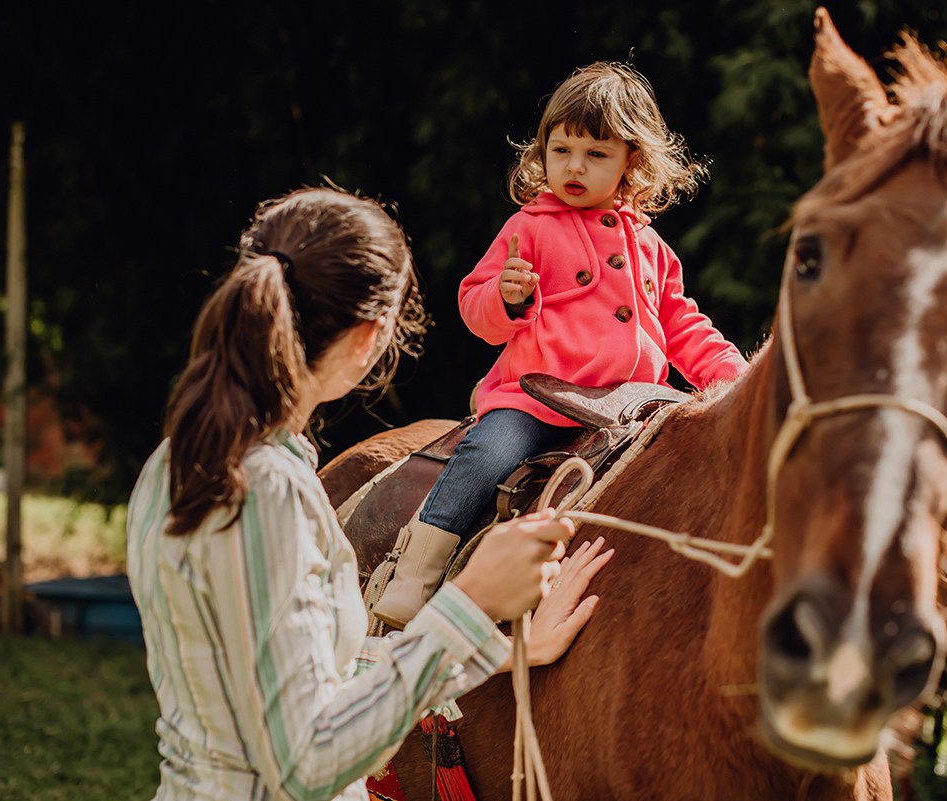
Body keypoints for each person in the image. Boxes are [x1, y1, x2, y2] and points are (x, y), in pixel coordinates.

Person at [126, 187, 612, 801]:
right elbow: (307, 762)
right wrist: (468, 598)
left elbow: (307, 679)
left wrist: (500, 650)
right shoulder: (263, 491)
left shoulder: (180, 462)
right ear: (370, 336)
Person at [373, 61, 747, 628]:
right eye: (561, 150)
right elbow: (475, 307)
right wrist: (508, 296)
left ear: (632, 163)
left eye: (596, 154)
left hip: (634, 406)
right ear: (541, 153)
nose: (574, 166)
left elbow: (683, 324)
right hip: (537, 400)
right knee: (487, 455)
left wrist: (733, 380)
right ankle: (417, 570)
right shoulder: (531, 227)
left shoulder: (650, 245)